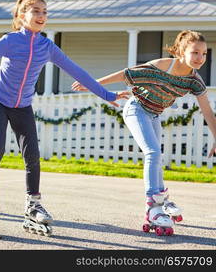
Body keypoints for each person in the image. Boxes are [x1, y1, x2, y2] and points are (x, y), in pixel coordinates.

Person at [0, 0, 128, 236]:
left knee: (32, 154)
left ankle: (33, 206)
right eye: (35, 11)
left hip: (22, 105)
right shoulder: (9, 41)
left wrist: (107, 95)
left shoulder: (47, 47)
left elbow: (78, 72)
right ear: (21, 16)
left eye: (44, 11)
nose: (41, 15)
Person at [72, 30, 216, 236]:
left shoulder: (194, 81)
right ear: (181, 52)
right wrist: (93, 84)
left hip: (154, 114)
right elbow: (125, 74)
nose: (200, 58)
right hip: (136, 109)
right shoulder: (162, 66)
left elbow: (207, 111)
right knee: (153, 153)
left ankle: (163, 199)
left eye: (204, 54)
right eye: (195, 53)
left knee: (157, 156)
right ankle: (152, 205)